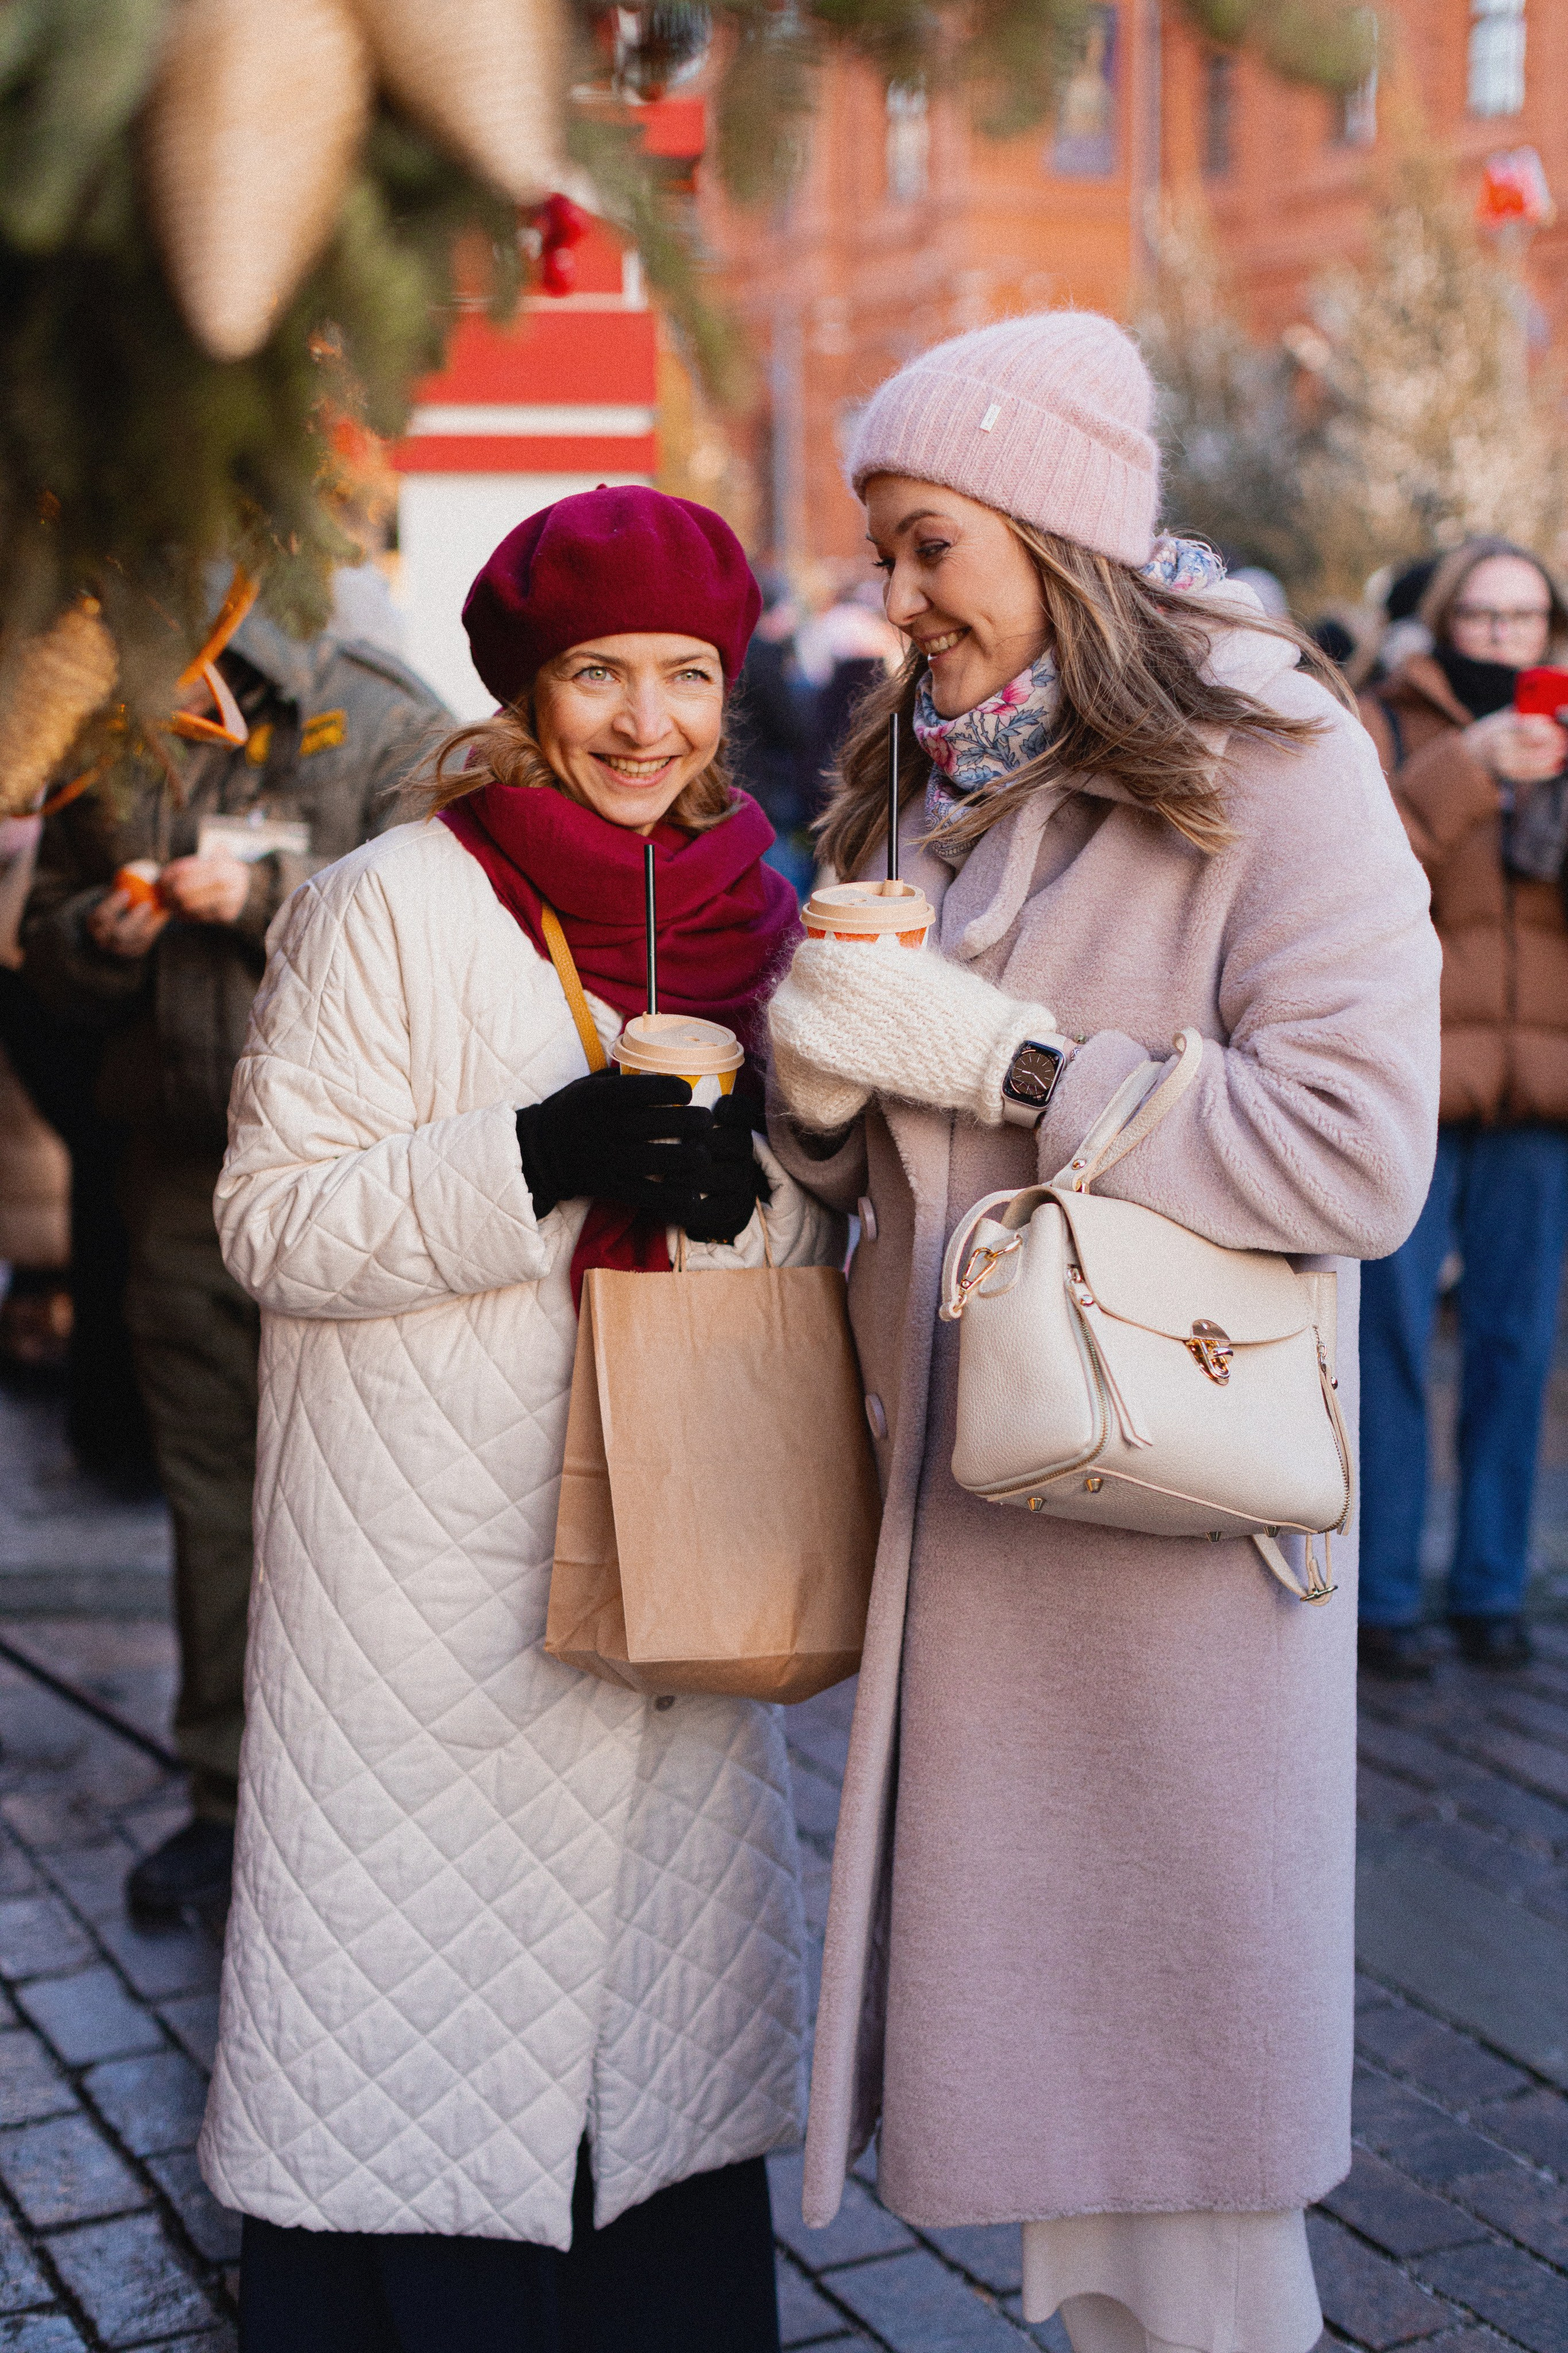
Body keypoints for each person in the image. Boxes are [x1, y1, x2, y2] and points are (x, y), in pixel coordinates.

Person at [764, 315, 1440, 2353]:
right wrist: (818, 1104)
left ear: (1059, 535)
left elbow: (1356, 1155)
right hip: (975, 1533)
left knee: (1193, 2177)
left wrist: (1021, 1057)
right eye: (878, 547)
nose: (893, 599)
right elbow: (889, 1152)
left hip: (1165, 1542)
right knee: (1083, 2206)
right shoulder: (920, 774)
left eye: (928, 543)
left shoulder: (1278, 754)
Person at [196, 486, 842, 2351]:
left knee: (652, 2080)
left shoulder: (763, 923)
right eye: (601, 674)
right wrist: (536, 1153)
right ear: (527, 685)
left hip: (667, 1557)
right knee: (418, 2065)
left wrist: (751, 1207)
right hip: (431, 1588)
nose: (649, 721)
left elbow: (803, 1224)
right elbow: (272, 1220)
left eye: (689, 675)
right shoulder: (388, 902)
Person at [19, 595, 445, 1909]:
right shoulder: (108, 722)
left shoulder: (382, 713)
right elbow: (38, 945)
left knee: (378, 1510)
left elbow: (444, 948)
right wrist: (96, 935)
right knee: (213, 1506)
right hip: (179, 1187)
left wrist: (264, 896)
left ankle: (384, 1805)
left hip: (350, 1191)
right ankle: (225, 1799)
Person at [1357, 536, 1568, 1676]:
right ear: (1444, 620)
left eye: (1525, 619)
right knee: (1387, 1343)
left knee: (1515, 1347)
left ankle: (1493, 1587)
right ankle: (1384, 1596)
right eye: (1484, 617)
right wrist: (1473, 766)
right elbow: (1360, 869)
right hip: (1418, 1090)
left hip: (1541, 1098)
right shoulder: (1386, 722)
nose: (1504, 638)